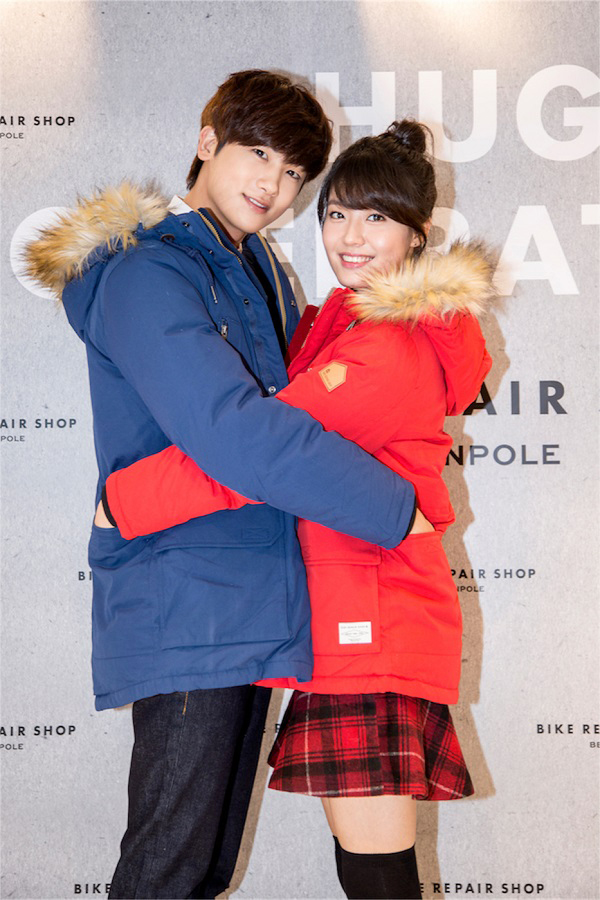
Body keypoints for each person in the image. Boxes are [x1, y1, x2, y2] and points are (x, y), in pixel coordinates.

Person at [24, 73, 423, 900]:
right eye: (260, 154)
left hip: (250, 602)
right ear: (208, 142)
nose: (273, 185)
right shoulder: (146, 270)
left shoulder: (258, 272)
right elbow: (236, 434)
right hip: (186, 596)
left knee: (201, 870)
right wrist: (393, 508)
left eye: (294, 173)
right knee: (168, 870)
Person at [97, 120, 495, 900]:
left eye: (376, 217)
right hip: (356, 617)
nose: (351, 236)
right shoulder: (346, 326)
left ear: (416, 235)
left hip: (371, 621)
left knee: (376, 868)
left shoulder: (381, 346)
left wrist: (128, 501)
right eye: (338, 213)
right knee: (371, 862)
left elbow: (261, 449)